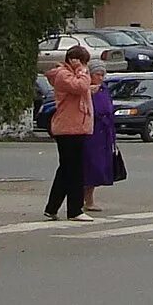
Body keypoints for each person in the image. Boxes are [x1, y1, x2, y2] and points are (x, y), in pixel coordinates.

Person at [43, 47, 105, 219]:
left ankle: (52, 207)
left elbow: (81, 88)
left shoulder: (71, 75)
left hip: (76, 126)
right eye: (83, 62)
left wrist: (88, 88)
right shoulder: (63, 74)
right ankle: (75, 210)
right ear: (73, 60)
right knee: (75, 170)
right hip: (68, 128)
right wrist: (82, 70)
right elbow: (79, 86)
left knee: (66, 169)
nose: (85, 67)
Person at [80, 70, 122, 213]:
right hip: (91, 133)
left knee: (100, 168)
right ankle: (83, 200)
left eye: (102, 75)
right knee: (90, 166)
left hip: (104, 133)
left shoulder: (103, 89)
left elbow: (108, 107)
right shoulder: (85, 90)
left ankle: (89, 199)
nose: (100, 77)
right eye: (97, 74)